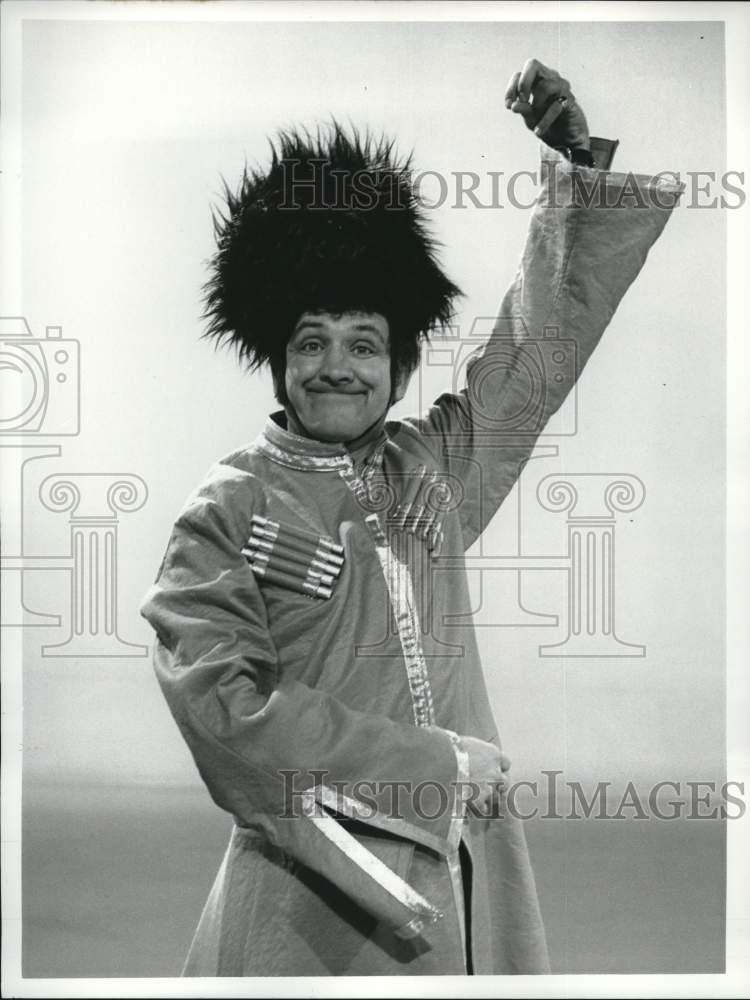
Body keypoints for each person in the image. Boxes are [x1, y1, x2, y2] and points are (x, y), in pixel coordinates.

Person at [140, 59, 682, 976]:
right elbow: (227, 717)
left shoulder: (430, 471)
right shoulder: (224, 513)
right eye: (310, 342)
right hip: (308, 910)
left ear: (398, 368)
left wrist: (577, 168)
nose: (337, 367)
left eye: (365, 343)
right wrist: (435, 766)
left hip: (467, 886)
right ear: (277, 361)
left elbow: (537, 356)